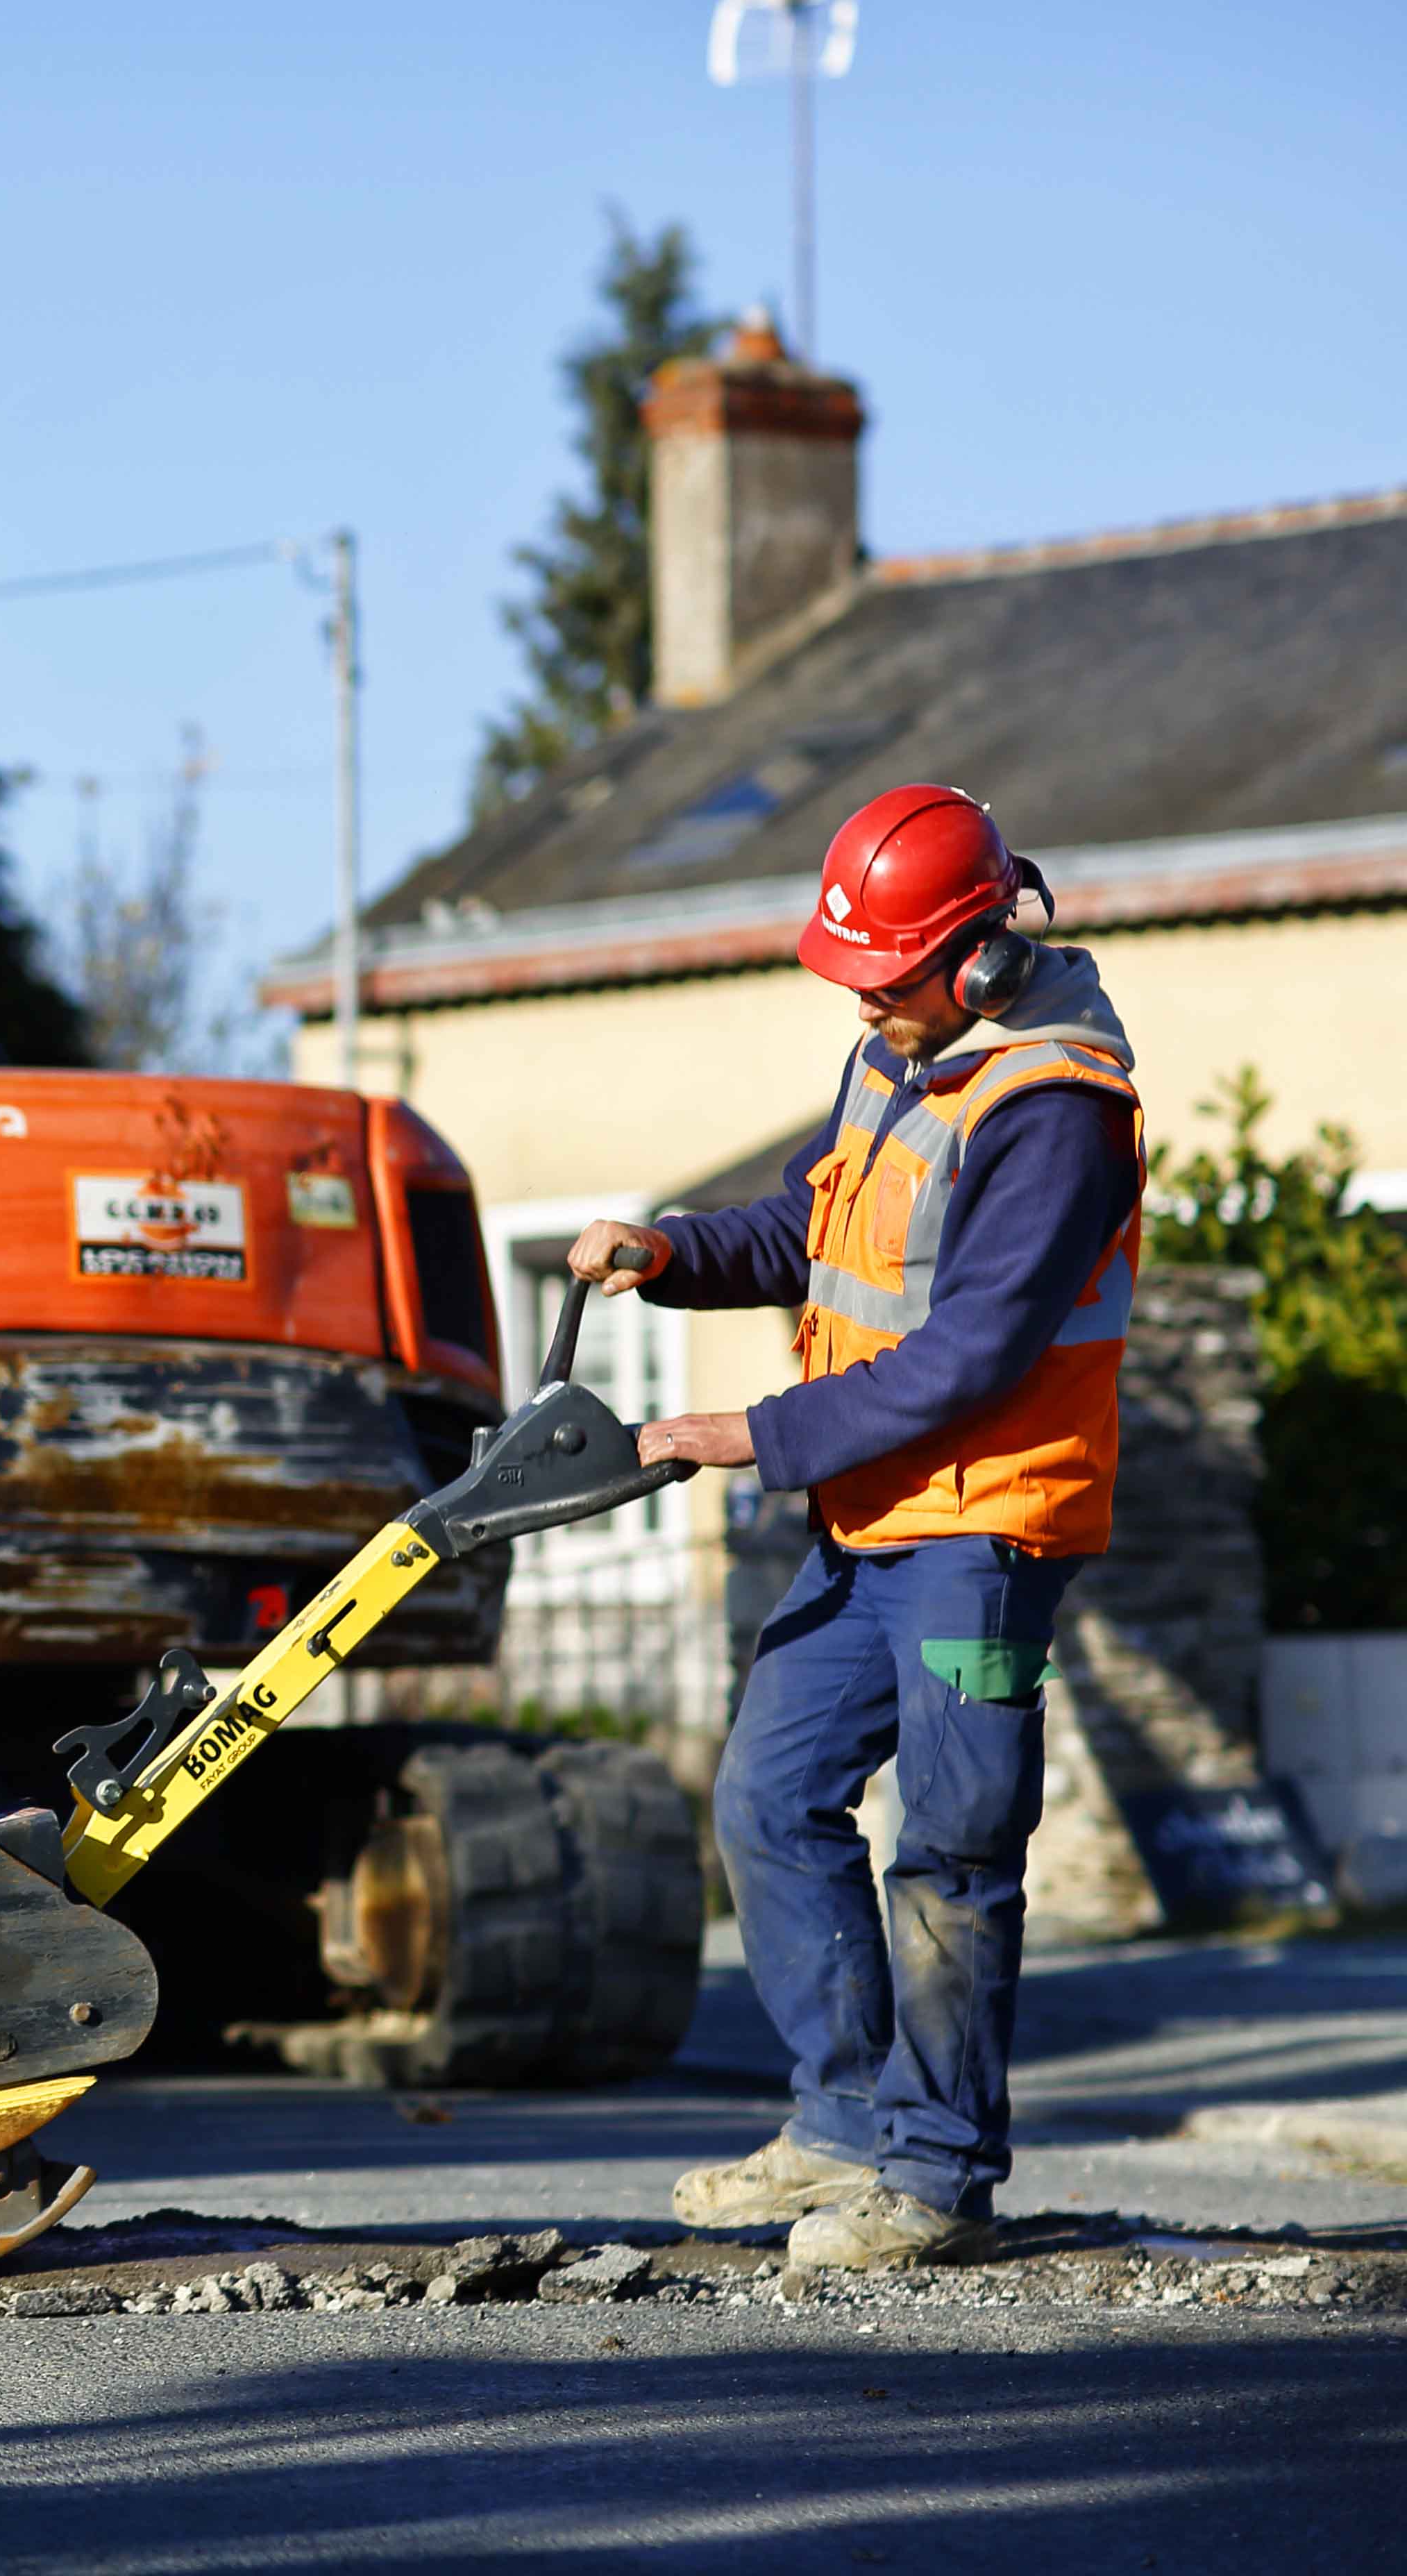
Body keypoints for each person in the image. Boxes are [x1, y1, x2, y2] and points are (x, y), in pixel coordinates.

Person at [568, 784, 1140, 2273]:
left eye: (887, 981)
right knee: (767, 1797)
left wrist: (743, 1437)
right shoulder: (900, 1051)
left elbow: (970, 1358)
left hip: (989, 1539)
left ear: (984, 960)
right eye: (855, 983)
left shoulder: (1056, 1109)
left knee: (952, 1853)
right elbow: (810, 1231)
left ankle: (936, 2176)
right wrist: (672, 1255)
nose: (868, 1006)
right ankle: (836, 2128)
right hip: (872, 1517)